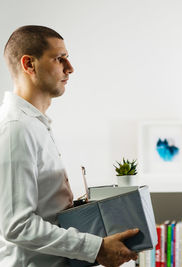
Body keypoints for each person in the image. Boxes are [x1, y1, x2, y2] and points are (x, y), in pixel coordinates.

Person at [0, 25, 139, 266]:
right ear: (29, 64)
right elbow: (17, 225)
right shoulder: (16, 128)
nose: (70, 68)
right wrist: (96, 248)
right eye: (59, 58)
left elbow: (44, 211)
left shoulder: (34, 124)